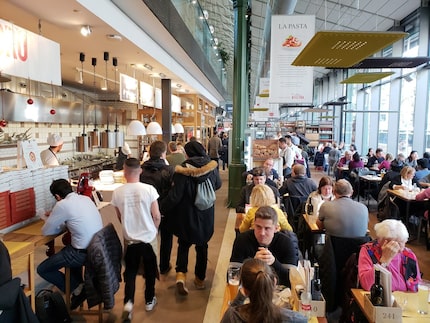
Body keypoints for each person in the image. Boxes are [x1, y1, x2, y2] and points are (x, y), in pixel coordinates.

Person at [160, 141, 221, 295]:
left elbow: (174, 197)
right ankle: (199, 280)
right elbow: (218, 184)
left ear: (188, 153)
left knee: (183, 244)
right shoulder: (212, 166)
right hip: (206, 215)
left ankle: (181, 276)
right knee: (202, 246)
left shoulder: (183, 170)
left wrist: (160, 208)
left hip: (187, 215)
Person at [37, 179, 103, 309]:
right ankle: (78, 287)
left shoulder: (62, 205)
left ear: (57, 196)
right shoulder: (85, 199)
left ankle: (77, 288)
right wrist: (58, 215)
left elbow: (46, 231)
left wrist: (53, 217)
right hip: (97, 249)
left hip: (81, 254)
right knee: (69, 249)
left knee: (43, 269)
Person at [111, 158, 161, 319]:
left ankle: (128, 304)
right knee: (150, 270)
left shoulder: (118, 192)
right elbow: (157, 216)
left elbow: (119, 216)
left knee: (131, 273)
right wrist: (153, 230)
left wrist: (129, 227)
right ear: (140, 171)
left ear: (124, 172)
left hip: (130, 240)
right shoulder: (149, 189)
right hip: (148, 239)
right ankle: (149, 300)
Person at [230, 206, 299, 287]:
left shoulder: (286, 243)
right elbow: (232, 275)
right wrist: (252, 264)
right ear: (253, 226)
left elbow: (292, 281)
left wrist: (274, 262)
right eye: (258, 227)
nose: (262, 233)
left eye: (267, 228)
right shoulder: (242, 240)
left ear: (276, 228)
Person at [220, 258, 307, 323]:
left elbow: (232, 311)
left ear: (244, 290)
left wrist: (239, 298)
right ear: (274, 283)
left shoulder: (232, 317)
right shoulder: (296, 319)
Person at [139, 141, 175, 275]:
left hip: (146, 210)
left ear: (149, 153)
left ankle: (149, 266)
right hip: (165, 209)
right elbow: (173, 192)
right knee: (166, 239)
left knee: (148, 238)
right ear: (163, 153)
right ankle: (164, 266)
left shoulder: (141, 169)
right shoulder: (169, 170)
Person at [358, 219, 421, 292]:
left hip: (406, 299)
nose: (398, 248)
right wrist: (384, 261)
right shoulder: (369, 251)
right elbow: (367, 285)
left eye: (401, 243)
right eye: (393, 244)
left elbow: (417, 285)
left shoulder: (408, 254)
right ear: (380, 241)